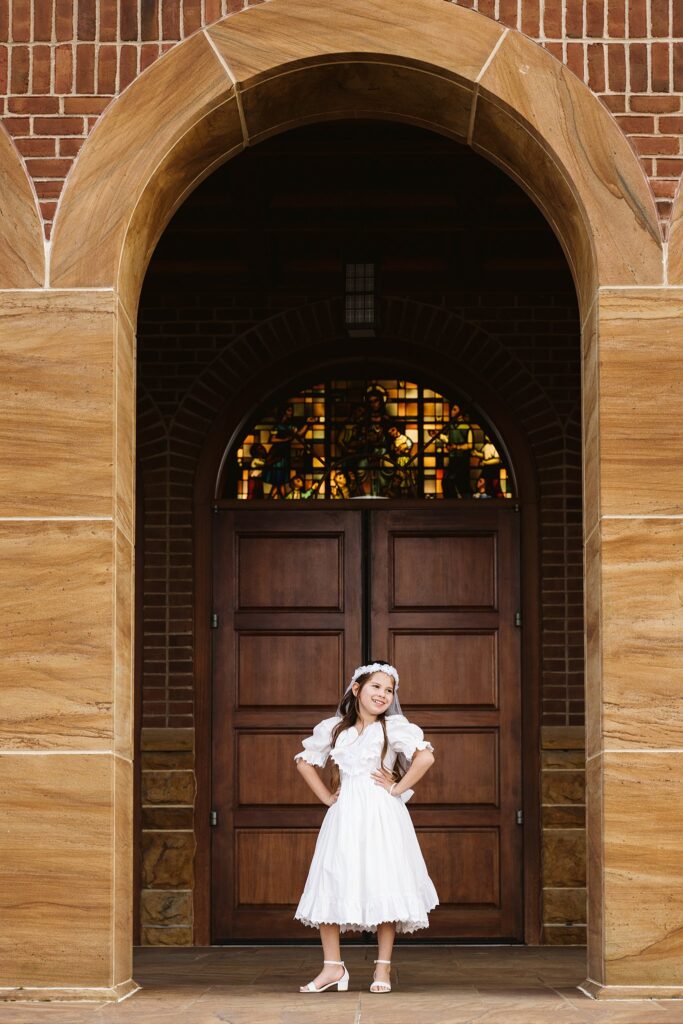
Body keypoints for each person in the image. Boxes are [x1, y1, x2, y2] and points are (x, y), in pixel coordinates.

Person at [293, 661, 439, 995]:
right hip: (345, 815)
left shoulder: (393, 728)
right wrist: (328, 797)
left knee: (384, 880)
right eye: (376, 686)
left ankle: (382, 968)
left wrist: (396, 789)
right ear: (357, 689)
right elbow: (304, 761)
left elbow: (425, 758)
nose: (383, 694)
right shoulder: (335, 729)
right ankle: (333, 967)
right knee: (332, 877)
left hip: (382, 814)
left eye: (389, 690)